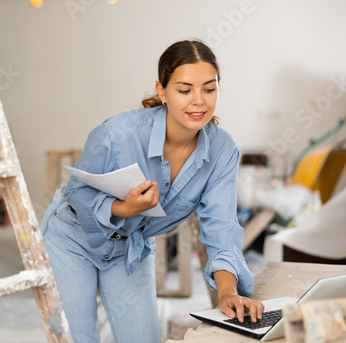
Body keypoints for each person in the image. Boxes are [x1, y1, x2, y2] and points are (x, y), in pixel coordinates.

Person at [40, 39, 264, 343]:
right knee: (76, 338)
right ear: (162, 91)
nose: (198, 101)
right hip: (71, 238)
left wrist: (226, 291)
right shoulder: (116, 134)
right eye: (184, 90)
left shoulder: (223, 150)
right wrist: (123, 209)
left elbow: (221, 228)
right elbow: (78, 194)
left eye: (209, 89)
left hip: (130, 247)